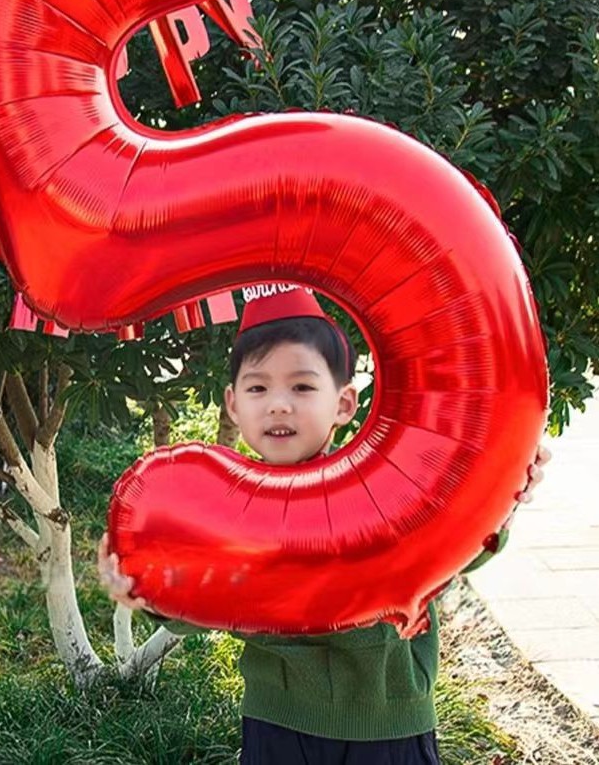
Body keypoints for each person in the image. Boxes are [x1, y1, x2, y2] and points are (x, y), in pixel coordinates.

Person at [98, 283, 551, 765]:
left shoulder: (385, 487)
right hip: (278, 726)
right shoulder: (223, 511)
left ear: (344, 403)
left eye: (302, 386)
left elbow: (456, 544)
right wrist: (149, 591)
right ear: (232, 404)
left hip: (390, 724)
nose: (278, 404)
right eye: (258, 387)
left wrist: (503, 492)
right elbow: (202, 595)